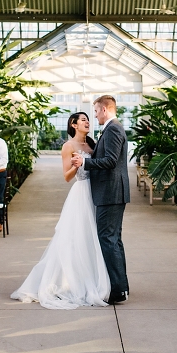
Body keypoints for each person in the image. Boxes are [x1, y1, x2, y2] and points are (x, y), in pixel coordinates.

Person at [11, 112, 110, 309]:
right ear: (73, 124)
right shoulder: (68, 146)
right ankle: (72, 282)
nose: (87, 122)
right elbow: (66, 176)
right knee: (76, 237)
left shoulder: (92, 144)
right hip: (81, 192)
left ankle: (94, 278)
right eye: (83, 120)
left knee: (93, 237)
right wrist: (77, 166)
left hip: (96, 192)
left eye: (88, 120)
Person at [70, 95, 130, 304]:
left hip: (110, 192)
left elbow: (111, 161)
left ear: (104, 109)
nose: (94, 116)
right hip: (111, 192)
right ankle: (120, 286)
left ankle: (118, 290)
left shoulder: (113, 129)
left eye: (95, 111)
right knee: (113, 239)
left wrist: (85, 163)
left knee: (108, 239)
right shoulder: (112, 128)